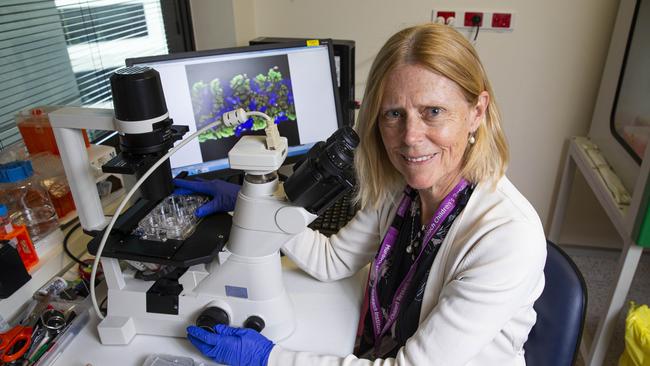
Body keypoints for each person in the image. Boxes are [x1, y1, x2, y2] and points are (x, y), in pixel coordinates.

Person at [177, 23, 547, 366]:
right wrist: (255, 202)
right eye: (393, 115)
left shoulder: (505, 236)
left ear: (476, 112)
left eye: (433, 111)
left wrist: (269, 359)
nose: (410, 137)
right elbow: (331, 261)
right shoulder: (403, 190)